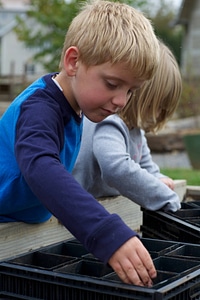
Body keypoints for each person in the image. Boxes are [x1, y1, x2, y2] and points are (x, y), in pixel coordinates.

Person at [0, 0, 160, 287]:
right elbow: (41, 167)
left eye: (130, 91)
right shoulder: (40, 108)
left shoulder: (76, 106)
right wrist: (105, 231)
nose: (122, 101)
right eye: (112, 84)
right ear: (73, 61)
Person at [73, 40, 182, 212]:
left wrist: (158, 178)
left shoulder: (135, 130)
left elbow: (147, 167)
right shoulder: (111, 122)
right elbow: (115, 169)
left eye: (164, 109)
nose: (159, 114)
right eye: (156, 106)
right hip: (76, 212)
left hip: (101, 212)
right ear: (138, 94)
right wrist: (166, 198)